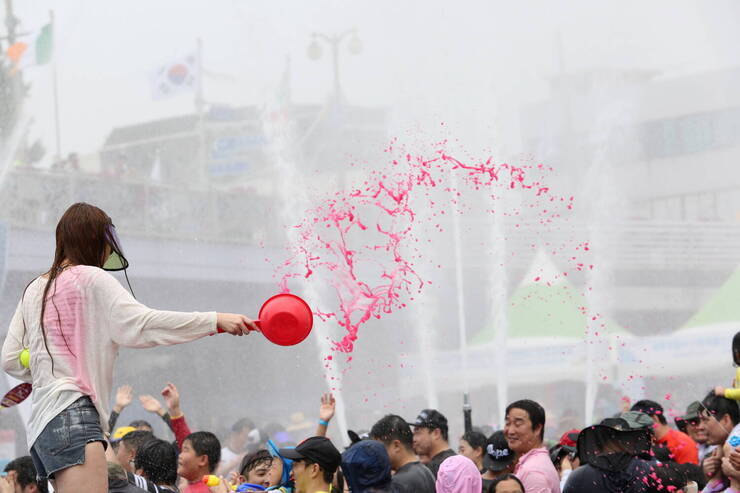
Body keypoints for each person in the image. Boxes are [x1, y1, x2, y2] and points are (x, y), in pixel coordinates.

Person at [0, 202, 258, 493]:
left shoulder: (36, 288)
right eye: (105, 243)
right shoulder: (91, 279)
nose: (109, 251)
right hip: (75, 416)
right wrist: (215, 320)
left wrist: (48, 361)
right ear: (94, 241)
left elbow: (10, 359)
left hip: (42, 428)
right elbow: (143, 325)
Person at [504, 399, 560, 493]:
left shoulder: (533, 473)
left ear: (537, 428)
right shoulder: (533, 463)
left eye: (518, 424)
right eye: (508, 423)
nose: (510, 431)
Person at [369, 414, 435, 493]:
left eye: (378, 449)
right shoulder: (426, 471)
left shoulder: (399, 483)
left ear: (396, 445)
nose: (376, 456)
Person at [631, 399, 698, 464]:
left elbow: (691, 473)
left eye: (639, 423)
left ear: (654, 419)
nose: (636, 429)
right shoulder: (645, 444)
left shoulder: (682, 442)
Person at [410, 409, 456, 478]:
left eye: (418, 432)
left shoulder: (439, 467)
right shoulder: (454, 461)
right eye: (413, 434)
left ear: (436, 433)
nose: (414, 439)